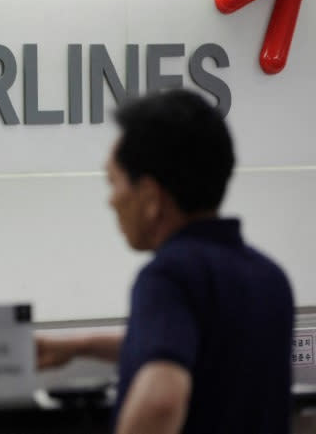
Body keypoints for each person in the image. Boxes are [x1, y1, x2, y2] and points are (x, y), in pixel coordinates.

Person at [36, 89, 294, 434]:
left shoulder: (170, 276)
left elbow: (161, 402)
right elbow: (196, 348)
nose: (111, 201)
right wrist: (81, 347)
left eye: (113, 182)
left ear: (151, 197)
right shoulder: (269, 278)